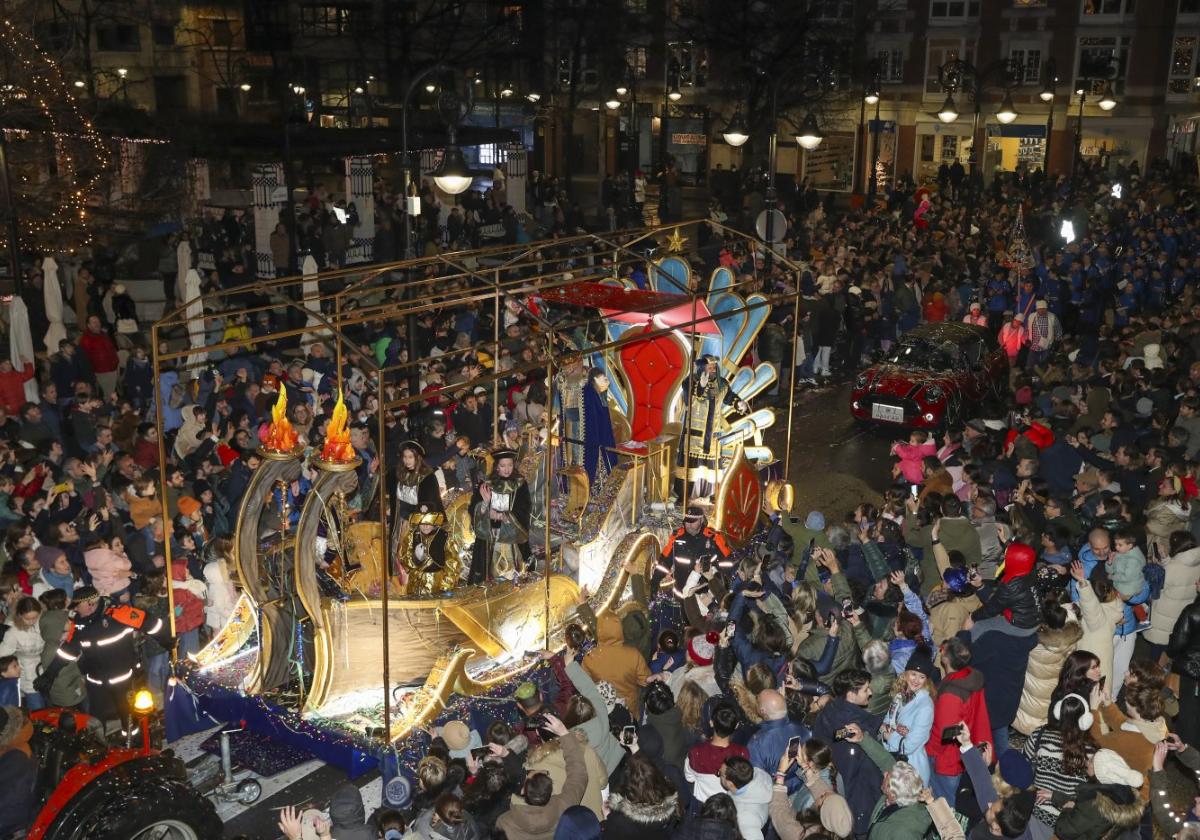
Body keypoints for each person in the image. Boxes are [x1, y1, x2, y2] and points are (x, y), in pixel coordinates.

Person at [495, 714, 588, 840]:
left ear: (523, 791)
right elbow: (578, 773)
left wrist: (506, 755)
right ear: (550, 790)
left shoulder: (504, 823)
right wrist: (564, 733)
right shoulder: (564, 805)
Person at [928, 636, 992, 802]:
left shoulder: (951, 694)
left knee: (946, 804)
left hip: (948, 761)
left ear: (946, 659)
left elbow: (943, 733)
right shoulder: (972, 676)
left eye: (942, 650)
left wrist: (929, 753)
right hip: (964, 753)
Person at [467, 448, 531, 583]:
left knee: (513, 576)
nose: (507, 469)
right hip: (490, 539)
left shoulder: (520, 485)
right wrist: (485, 505)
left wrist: (506, 517)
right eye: (503, 466)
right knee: (489, 577)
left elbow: (525, 509)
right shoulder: (487, 486)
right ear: (497, 467)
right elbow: (473, 509)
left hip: (512, 539)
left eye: (510, 465)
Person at [880, 645, 936, 784]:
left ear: (926, 680)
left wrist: (888, 735)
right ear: (905, 674)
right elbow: (885, 724)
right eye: (913, 674)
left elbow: (909, 746)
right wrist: (887, 731)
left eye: (922, 677)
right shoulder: (900, 696)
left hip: (912, 770)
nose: (916, 680)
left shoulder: (925, 706)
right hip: (892, 763)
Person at [655, 506, 733, 599]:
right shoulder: (676, 538)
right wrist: (654, 583)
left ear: (701, 520)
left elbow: (728, 565)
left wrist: (722, 588)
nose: (689, 525)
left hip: (706, 596)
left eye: (693, 522)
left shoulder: (714, 538)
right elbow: (664, 562)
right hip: (682, 595)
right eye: (687, 521)